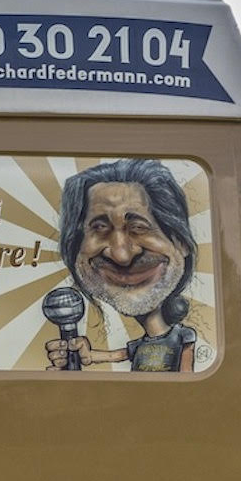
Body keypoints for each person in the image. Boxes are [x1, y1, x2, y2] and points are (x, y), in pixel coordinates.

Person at [44, 158, 202, 373]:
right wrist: (79, 359)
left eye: (139, 227)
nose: (121, 255)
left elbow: (189, 381)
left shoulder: (183, 336)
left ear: (180, 241)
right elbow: (112, 357)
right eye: (99, 227)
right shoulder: (138, 346)